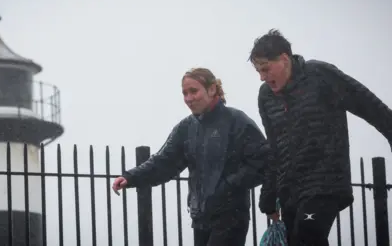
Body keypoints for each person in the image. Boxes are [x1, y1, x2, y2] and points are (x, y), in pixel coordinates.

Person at [251, 29, 392, 246]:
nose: (262, 77)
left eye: (266, 69)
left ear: (284, 59)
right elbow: (274, 148)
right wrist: (269, 195)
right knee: (298, 239)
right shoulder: (265, 96)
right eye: (258, 71)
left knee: (308, 234)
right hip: (290, 189)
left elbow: (367, 104)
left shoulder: (319, 75)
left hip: (325, 182)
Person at [112, 68, 271, 246]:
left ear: (212, 89)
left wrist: (228, 186)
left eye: (193, 91)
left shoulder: (236, 121)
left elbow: (263, 162)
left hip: (231, 217)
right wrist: (131, 177)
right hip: (200, 218)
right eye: (184, 93)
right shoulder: (187, 127)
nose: (188, 98)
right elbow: (164, 162)